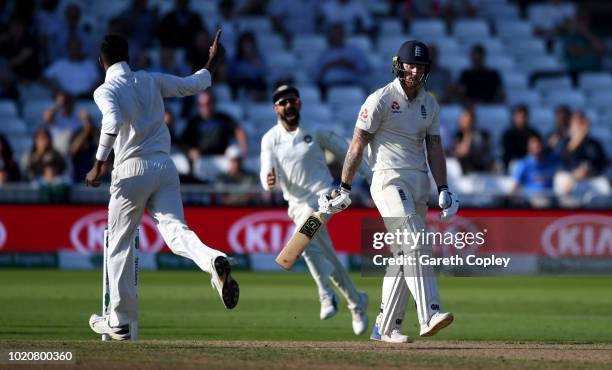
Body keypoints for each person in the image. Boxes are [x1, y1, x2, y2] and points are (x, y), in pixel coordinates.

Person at [86, 32, 239, 341]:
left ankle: (119, 321)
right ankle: (213, 260)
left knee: (118, 243)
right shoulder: (150, 79)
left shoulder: (105, 89)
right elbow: (194, 84)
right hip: (165, 166)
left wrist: (98, 163)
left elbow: (112, 121)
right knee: (176, 232)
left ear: (101, 61)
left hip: (130, 170)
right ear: (128, 57)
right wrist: (212, 58)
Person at [319, 41, 457, 343]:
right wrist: (344, 186)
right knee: (415, 242)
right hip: (388, 181)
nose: (416, 71)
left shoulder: (429, 104)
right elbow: (357, 145)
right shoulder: (380, 99)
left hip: (419, 183)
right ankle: (429, 312)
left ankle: (386, 327)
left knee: (403, 254)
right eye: (411, 65)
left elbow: (435, 149)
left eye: (421, 66)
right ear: (399, 65)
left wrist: (444, 187)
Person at [260, 85, 370, 335]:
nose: (288, 105)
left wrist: (370, 177)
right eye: (282, 102)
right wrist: (267, 179)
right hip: (296, 205)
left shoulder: (316, 130)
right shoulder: (270, 139)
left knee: (305, 239)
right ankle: (355, 301)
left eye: (292, 101)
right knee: (314, 248)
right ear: (275, 108)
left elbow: (347, 152)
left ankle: (325, 294)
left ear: (299, 103)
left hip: (324, 197)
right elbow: (266, 168)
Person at [181, 90, 248, 159]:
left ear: (214, 103)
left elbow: (239, 131)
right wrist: (190, 151)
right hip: (201, 159)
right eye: (202, 105)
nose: (205, 107)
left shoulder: (223, 119)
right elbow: (184, 141)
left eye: (208, 103)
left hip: (223, 158)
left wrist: (243, 151)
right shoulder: (194, 122)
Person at [554, 111, 607, 196]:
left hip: (590, 177)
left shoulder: (594, 143)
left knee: (605, 189)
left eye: (582, 122)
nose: (581, 126)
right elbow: (561, 157)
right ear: (571, 124)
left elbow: (601, 163)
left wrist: (590, 172)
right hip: (569, 175)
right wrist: (575, 174)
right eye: (578, 122)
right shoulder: (564, 140)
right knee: (565, 184)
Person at [311, 23, 370, 94]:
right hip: (329, 86)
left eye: (339, 33)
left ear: (343, 34)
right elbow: (315, 75)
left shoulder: (354, 51)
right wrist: (328, 66)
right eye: (334, 34)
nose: (336, 36)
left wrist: (350, 65)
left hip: (351, 84)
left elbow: (366, 69)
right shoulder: (324, 54)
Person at [43, 90, 93, 155]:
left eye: (69, 101)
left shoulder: (79, 118)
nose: (67, 103)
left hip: (72, 152)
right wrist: (58, 104)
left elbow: (87, 130)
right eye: (65, 101)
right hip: (56, 151)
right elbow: (47, 118)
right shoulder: (56, 117)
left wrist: (86, 120)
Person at [512, 134, 559, 199]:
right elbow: (516, 185)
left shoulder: (551, 160)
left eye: (538, 146)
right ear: (529, 148)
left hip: (551, 196)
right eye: (534, 147)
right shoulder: (524, 164)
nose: (537, 150)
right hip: (532, 197)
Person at [453, 108, 494, 173]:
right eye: (462, 119)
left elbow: (485, 152)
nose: (462, 121)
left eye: (467, 120)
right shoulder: (458, 135)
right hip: (466, 168)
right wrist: (467, 134)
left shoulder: (483, 134)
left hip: (482, 166)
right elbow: (462, 152)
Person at [502, 104, 540, 170]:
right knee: (516, 165)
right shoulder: (508, 134)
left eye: (524, 116)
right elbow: (507, 153)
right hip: (515, 162)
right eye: (519, 116)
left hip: (532, 161)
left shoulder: (533, 133)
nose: (522, 118)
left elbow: (538, 149)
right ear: (514, 117)